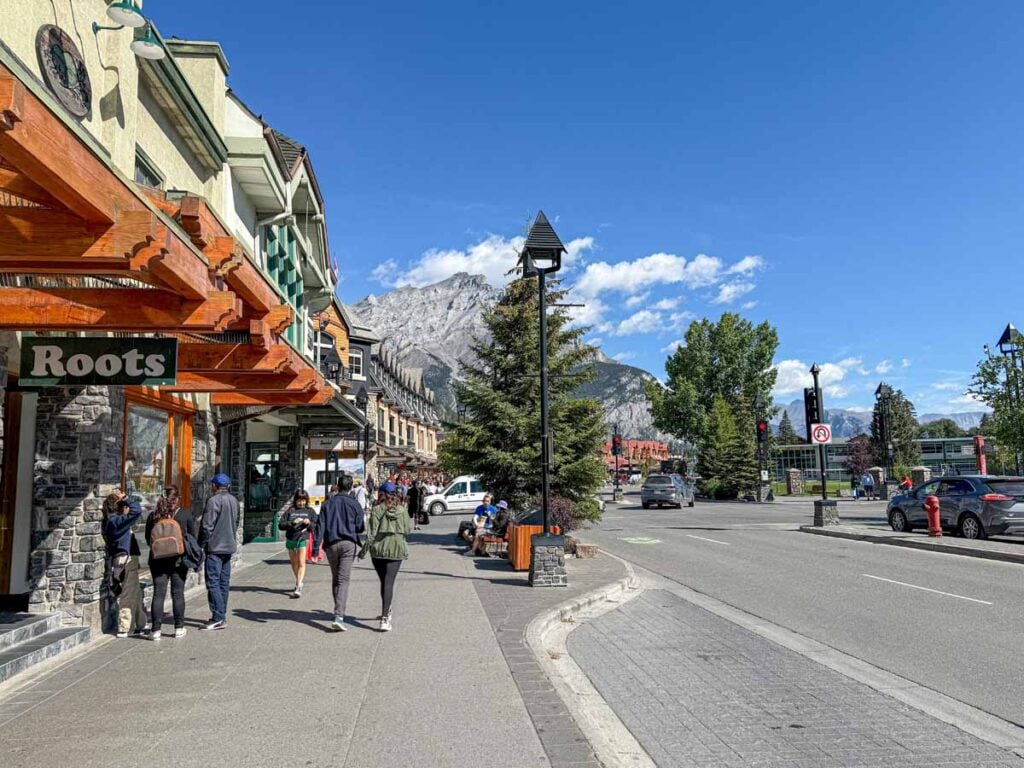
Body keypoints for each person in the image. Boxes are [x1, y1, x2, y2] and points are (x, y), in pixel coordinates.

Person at [313, 474, 365, 632]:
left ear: (338, 485)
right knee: (343, 580)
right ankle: (339, 615)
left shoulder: (327, 504)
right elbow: (360, 526)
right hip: (348, 543)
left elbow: (319, 527)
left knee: (336, 578)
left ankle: (338, 610)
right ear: (350, 487)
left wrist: (316, 548)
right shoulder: (354, 504)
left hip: (331, 544)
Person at [359, 481, 410, 632]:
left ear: (381, 494)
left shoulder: (376, 510)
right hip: (396, 550)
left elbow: (371, 534)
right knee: (389, 583)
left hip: (378, 551)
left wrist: (363, 552)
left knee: (384, 582)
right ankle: (385, 617)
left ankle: (386, 611)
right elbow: (407, 531)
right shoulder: (402, 511)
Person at [145, 486, 194, 639]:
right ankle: (179, 627)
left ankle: (156, 630)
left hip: (157, 560)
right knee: (178, 593)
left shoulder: (154, 516)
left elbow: (148, 539)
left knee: (158, 594)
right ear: (177, 498)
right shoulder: (185, 514)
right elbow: (192, 537)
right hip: (179, 560)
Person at [102, 490, 147, 638]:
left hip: (127, 557)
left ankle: (141, 622)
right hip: (124, 559)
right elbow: (137, 510)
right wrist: (126, 499)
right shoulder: (116, 521)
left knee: (135, 591)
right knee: (128, 593)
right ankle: (125, 627)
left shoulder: (113, 520)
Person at [199, 473, 239, 631]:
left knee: (213, 582)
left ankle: (218, 616)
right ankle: (221, 614)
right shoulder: (234, 500)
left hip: (215, 547)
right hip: (229, 546)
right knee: (223, 582)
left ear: (215, 486)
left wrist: (201, 544)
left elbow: (207, 526)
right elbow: (236, 522)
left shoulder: (213, 501)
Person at [279, 490, 314, 598]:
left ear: (306, 500)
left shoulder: (310, 511)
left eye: (303, 500)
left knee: (301, 562)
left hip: (303, 538)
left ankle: (298, 586)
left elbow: (315, 526)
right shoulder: (290, 511)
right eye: (299, 500)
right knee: (294, 563)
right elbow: (281, 525)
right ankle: (299, 581)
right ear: (296, 500)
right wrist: (292, 522)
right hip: (291, 539)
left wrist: (309, 523)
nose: (301, 503)